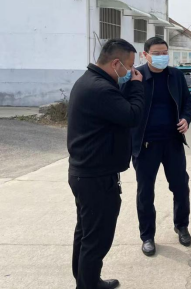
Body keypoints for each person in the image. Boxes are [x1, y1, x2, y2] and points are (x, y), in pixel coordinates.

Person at [67, 39, 144, 289]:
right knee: (96, 239)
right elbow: (132, 115)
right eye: (129, 67)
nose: (131, 71)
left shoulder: (89, 81)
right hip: (95, 178)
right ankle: (87, 285)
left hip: (87, 173)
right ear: (116, 63)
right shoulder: (100, 89)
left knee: (86, 233)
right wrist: (136, 86)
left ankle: (87, 281)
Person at [123, 37, 191, 257]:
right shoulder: (135, 76)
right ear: (145, 54)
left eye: (165, 52)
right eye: (156, 53)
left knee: (180, 187)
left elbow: (187, 102)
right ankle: (147, 236)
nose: (162, 56)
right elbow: (123, 106)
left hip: (173, 142)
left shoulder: (176, 75)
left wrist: (186, 118)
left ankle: (181, 226)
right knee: (145, 192)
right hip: (145, 145)